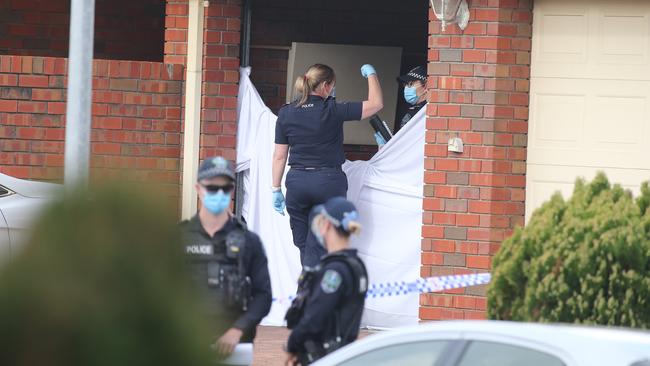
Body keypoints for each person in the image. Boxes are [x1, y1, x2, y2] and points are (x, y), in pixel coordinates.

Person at [272, 63, 383, 267]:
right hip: (328, 183)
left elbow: (279, 156)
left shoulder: (286, 112)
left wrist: (275, 188)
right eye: (332, 86)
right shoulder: (333, 109)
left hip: (298, 183)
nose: (332, 89)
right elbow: (375, 104)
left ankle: (309, 289)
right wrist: (371, 74)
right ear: (325, 86)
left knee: (305, 244)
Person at [180, 156, 272, 359]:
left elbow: (263, 296)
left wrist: (237, 330)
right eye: (212, 188)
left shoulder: (249, 241)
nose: (219, 194)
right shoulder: (179, 239)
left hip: (234, 347)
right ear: (198, 188)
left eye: (226, 188)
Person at [284, 197, 368, 366]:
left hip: (325, 355)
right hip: (342, 353)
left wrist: (293, 344)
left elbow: (316, 314)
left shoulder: (334, 271)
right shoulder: (356, 265)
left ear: (327, 225)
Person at [374, 65, 428, 146]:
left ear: (425, 86)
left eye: (410, 84)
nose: (406, 88)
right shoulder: (412, 109)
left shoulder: (427, 112)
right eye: (405, 84)